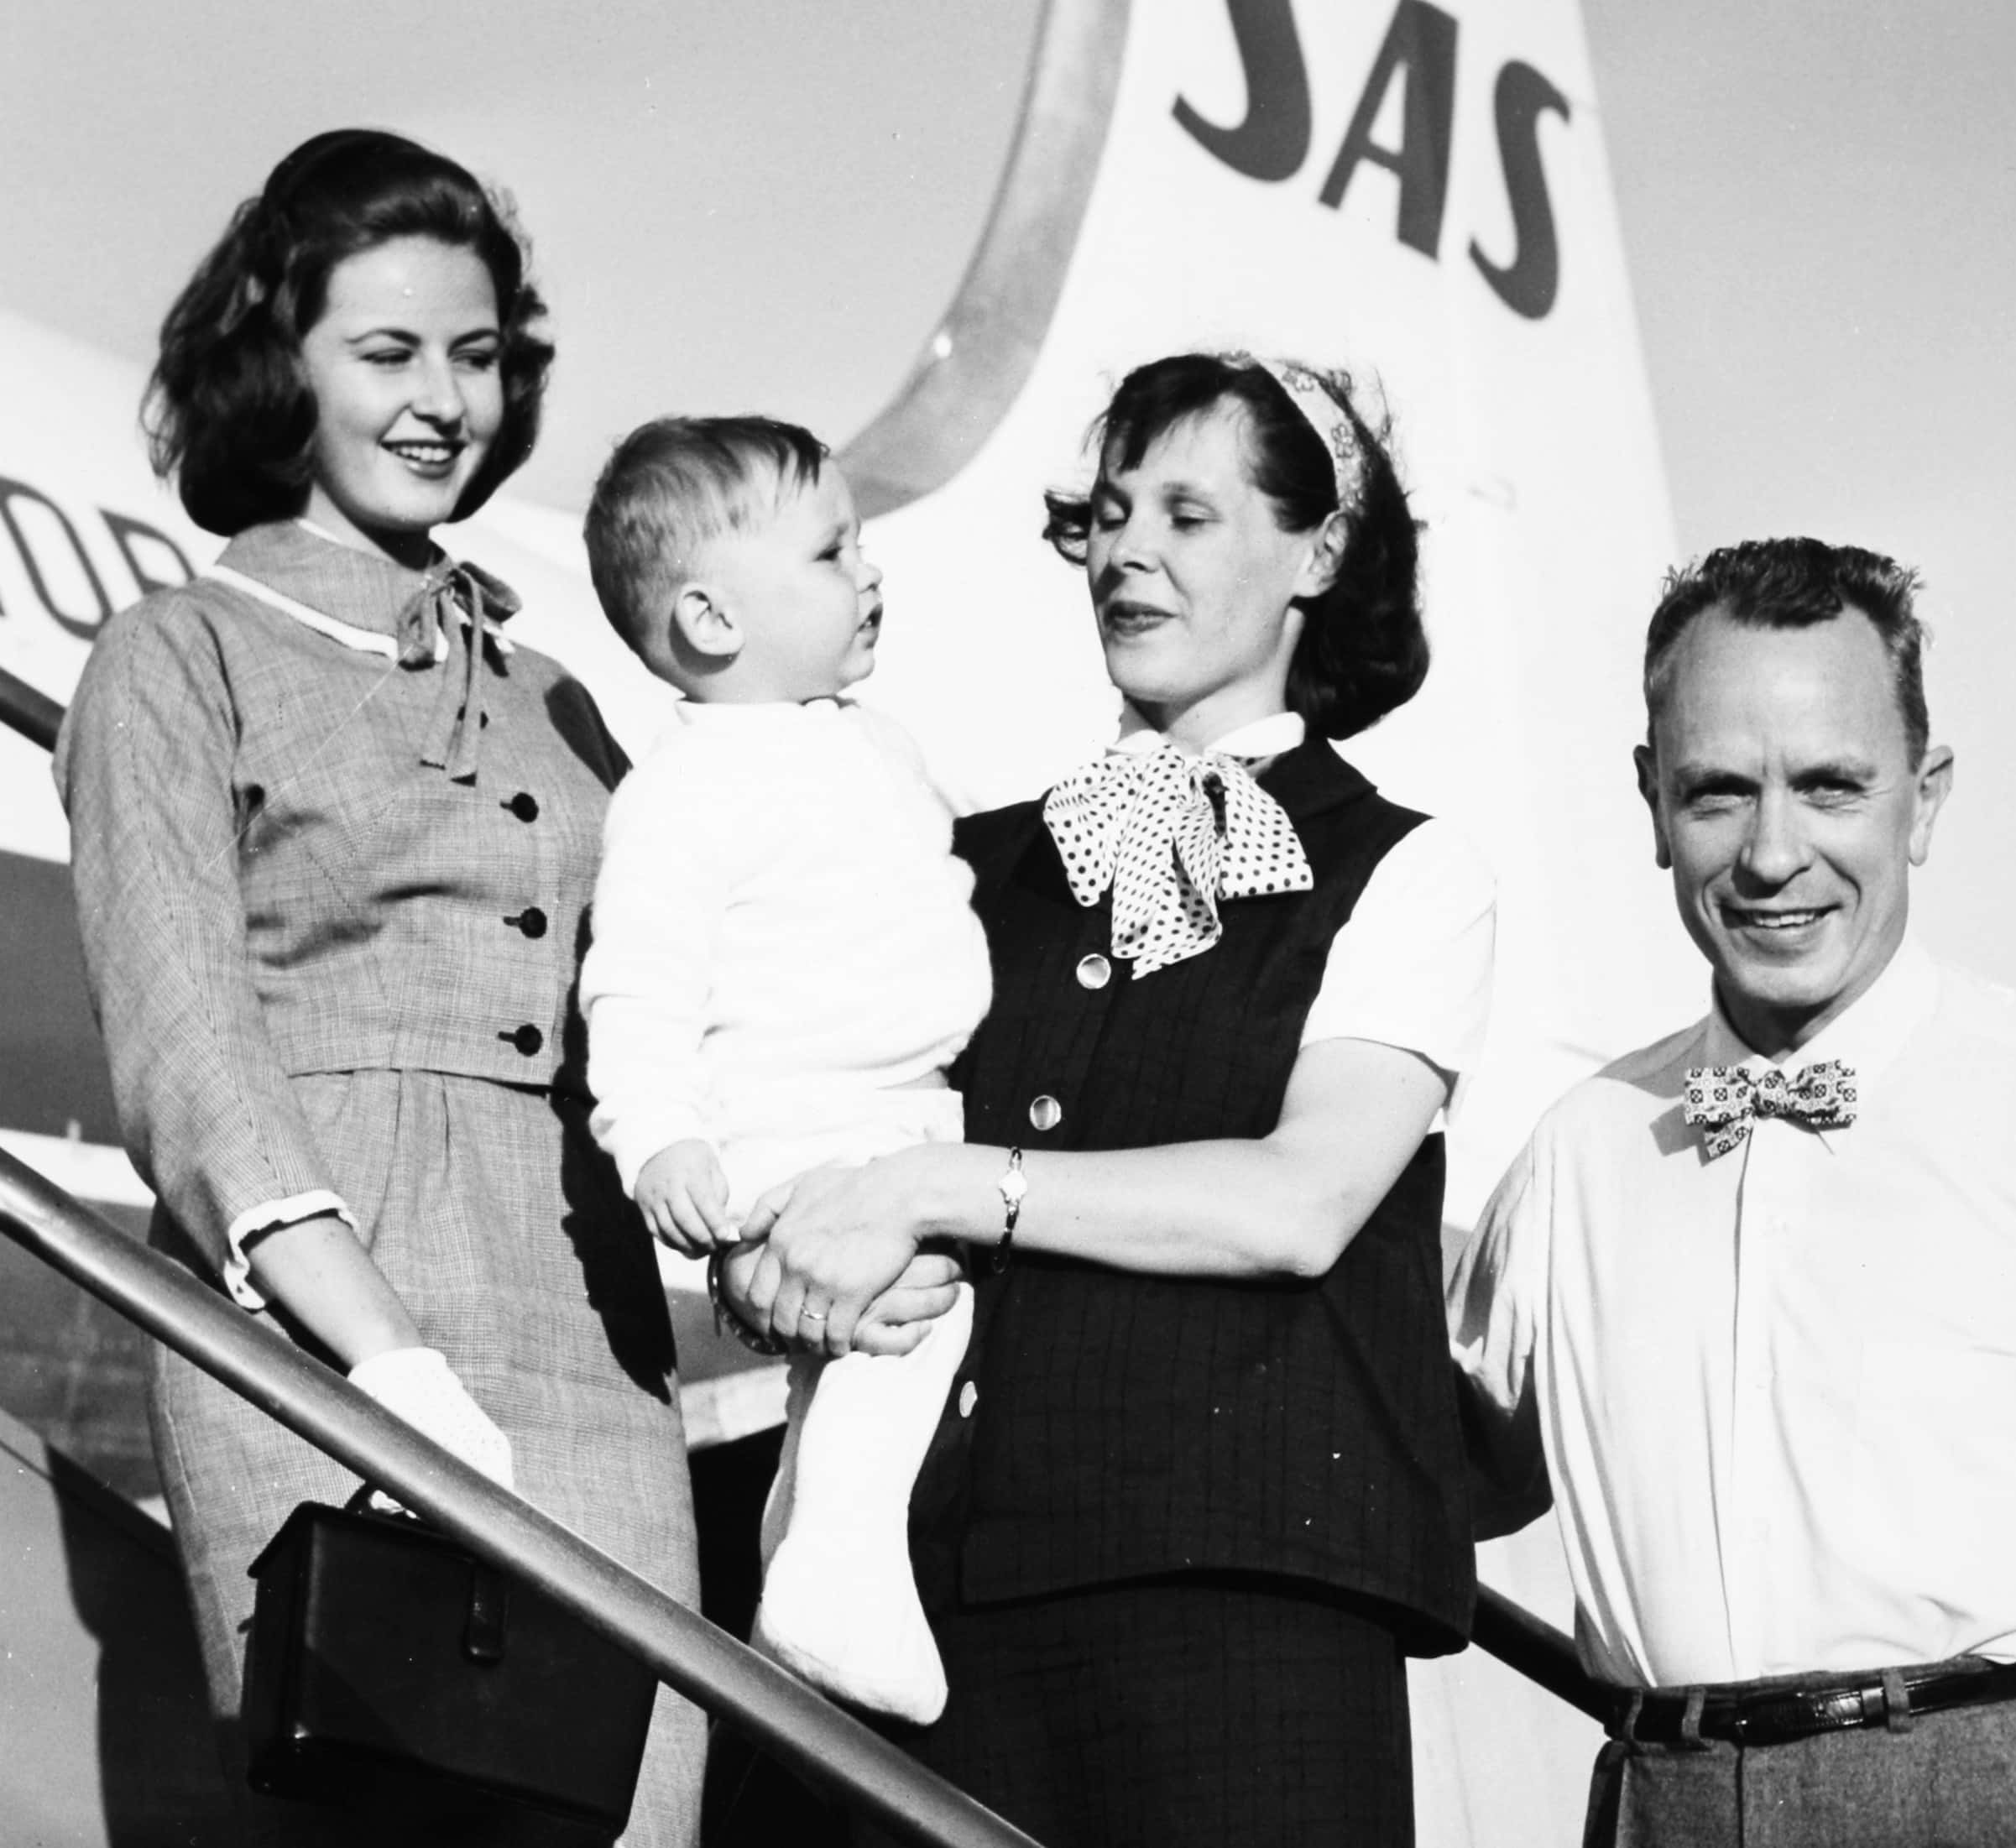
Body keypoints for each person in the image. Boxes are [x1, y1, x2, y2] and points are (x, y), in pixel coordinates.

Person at [720, 352, 1497, 1848]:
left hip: (1246, 1635)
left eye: (1192, 515)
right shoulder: (963, 856)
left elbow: (1300, 1202)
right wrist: (779, 1264)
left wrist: (954, 1189)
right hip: (937, 1624)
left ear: (1318, 553)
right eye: (1114, 511)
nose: (1129, 549)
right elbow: (820, 1124)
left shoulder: (1404, 871)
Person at [53, 130, 704, 1845]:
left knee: (631, 1819)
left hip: (594, 1347)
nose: (445, 401)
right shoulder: (176, 657)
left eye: (478, 357)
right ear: (284, 367)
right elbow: (188, 1046)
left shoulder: (564, 697)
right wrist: (385, 1363)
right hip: (328, 1337)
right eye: (390, 352)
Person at [1449, 536, 2016, 1847]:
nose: (1773, 854)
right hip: (1669, 1800)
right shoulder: (1579, 1154)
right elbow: (1432, 1479)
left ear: (1923, 798)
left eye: (1829, 786)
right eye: (1718, 792)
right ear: (1651, 801)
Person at [577, 415, 990, 1724]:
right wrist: (656, 1137)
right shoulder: (686, 788)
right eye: (829, 551)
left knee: (848, 1375)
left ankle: (795, 1561)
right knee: (919, 1320)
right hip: (794, 1124)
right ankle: (833, 1576)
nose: (869, 571)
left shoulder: (874, 744)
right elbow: (635, 978)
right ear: (709, 618)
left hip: (894, 1110)